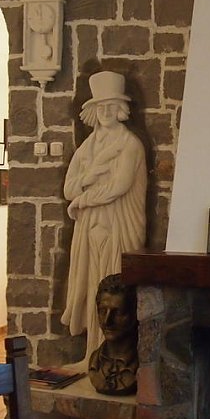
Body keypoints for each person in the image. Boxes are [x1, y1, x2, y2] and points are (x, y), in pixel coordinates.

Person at [61, 70, 147, 362]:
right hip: (90, 228)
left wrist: (82, 200)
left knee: (114, 292)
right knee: (91, 288)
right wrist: (88, 179)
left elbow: (119, 186)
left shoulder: (130, 144)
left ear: (121, 109)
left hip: (118, 226)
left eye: (112, 106)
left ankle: (117, 359)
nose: (106, 112)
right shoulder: (87, 147)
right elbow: (69, 188)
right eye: (101, 106)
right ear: (93, 111)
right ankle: (92, 356)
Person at [88, 274, 139, 395]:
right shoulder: (95, 362)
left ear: (135, 314)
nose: (107, 321)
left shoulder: (143, 364)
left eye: (118, 312)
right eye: (102, 311)